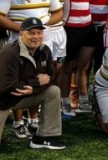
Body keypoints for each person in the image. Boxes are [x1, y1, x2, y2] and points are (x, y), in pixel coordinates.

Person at [0, 18, 65, 149]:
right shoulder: (10, 54)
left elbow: (49, 78)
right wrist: (35, 82)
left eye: (39, 33)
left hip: (22, 96)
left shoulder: (44, 50)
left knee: (53, 91)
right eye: (31, 33)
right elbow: (6, 87)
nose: (36, 37)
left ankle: (44, 137)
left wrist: (33, 89)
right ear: (21, 33)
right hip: (2, 101)